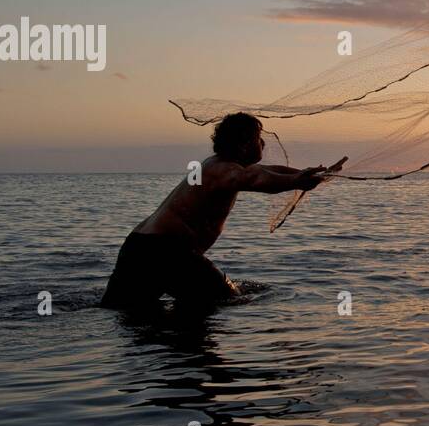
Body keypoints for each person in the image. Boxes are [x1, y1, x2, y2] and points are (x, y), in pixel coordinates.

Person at [100, 112, 340, 308]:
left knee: (125, 311)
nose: (263, 144)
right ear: (244, 143)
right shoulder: (225, 171)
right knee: (226, 299)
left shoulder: (215, 164)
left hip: (138, 248)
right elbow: (256, 179)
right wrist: (297, 181)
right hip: (167, 252)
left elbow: (267, 170)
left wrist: (305, 174)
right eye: (258, 139)